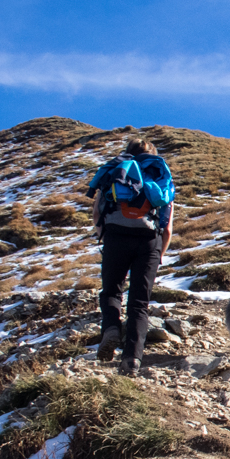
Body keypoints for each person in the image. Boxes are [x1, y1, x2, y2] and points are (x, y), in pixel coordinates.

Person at [88, 138, 175, 377]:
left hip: (115, 236)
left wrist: (104, 235)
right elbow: (167, 226)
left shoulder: (116, 172)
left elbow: (97, 212)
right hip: (149, 241)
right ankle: (132, 360)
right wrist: (159, 253)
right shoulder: (159, 175)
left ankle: (111, 330)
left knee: (111, 291)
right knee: (139, 302)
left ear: (128, 153)